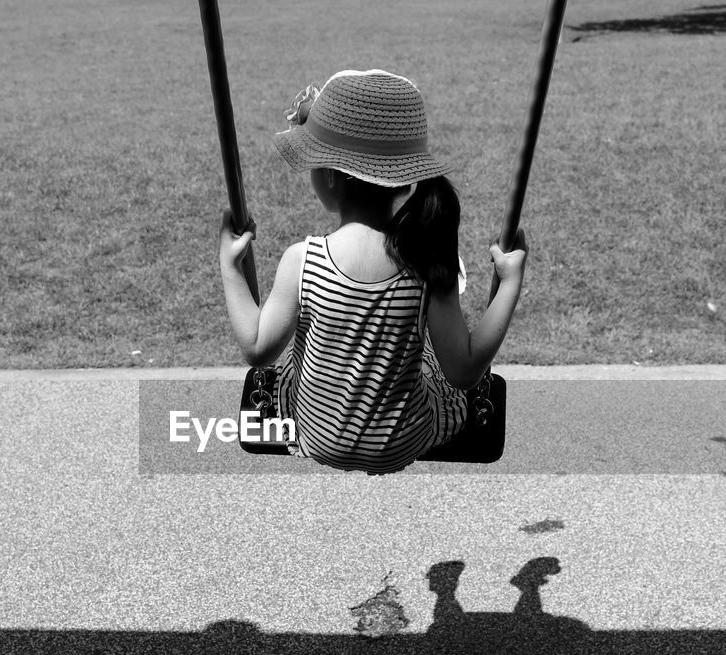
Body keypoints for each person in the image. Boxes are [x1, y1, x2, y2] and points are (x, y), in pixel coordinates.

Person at [218, 69, 528, 474]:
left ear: (328, 175)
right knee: (433, 360)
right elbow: (466, 372)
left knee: (293, 360)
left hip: (314, 433)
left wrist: (231, 266)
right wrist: (509, 282)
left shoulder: (302, 260)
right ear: (404, 179)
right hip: (402, 441)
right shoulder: (427, 262)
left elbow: (257, 348)